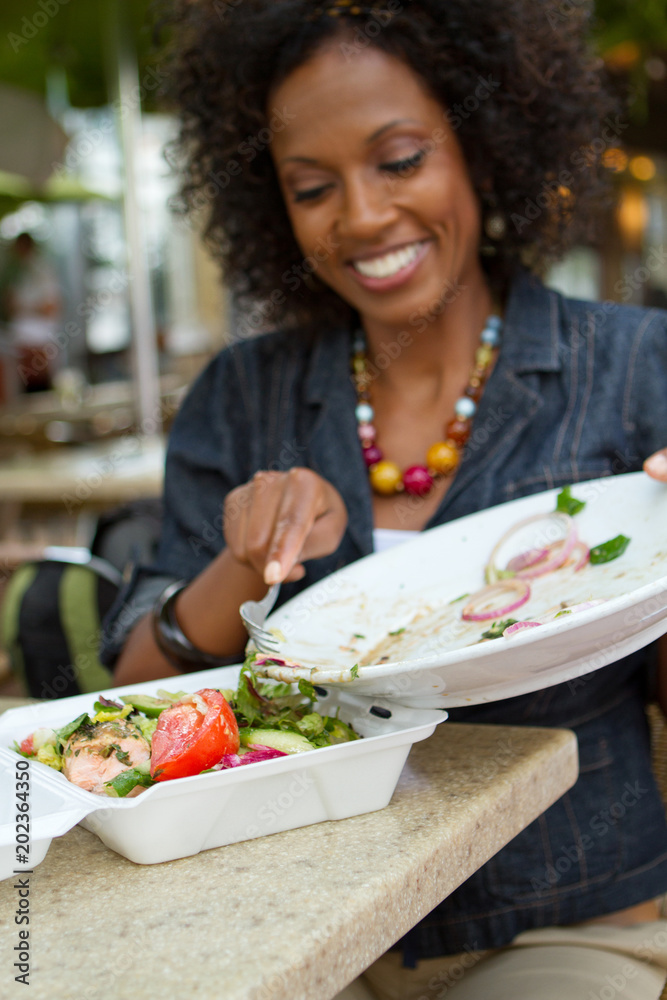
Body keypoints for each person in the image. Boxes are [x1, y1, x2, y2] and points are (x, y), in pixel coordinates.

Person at [102, 0, 667, 995]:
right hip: (300, 926)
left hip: (565, 919)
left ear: (483, 149)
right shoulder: (245, 394)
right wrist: (244, 563)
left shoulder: (630, 366)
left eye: (399, 160)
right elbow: (136, 696)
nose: (361, 215)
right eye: (312, 186)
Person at [0, 232, 61, 392]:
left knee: (40, 382)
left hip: (39, 336)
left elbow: (51, 307)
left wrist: (24, 307)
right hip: (21, 337)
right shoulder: (15, 272)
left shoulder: (42, 269)